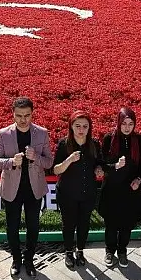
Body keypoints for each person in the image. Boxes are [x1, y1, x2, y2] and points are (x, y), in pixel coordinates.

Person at [0, 97, 53, 277]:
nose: (23, 119)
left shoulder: (42, 133)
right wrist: (11, 161)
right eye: (19, 115)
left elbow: (49, 161)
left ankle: (29, 260)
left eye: (27, 115)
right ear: (13, 114)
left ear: (32, 114)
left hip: (34, 189)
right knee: (12, 226)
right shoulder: (4, 133)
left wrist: (36, 157)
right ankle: (16, 259)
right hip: (12, 188)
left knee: (33, 227)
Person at [53, 111, 104, 269]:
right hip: (67, 193)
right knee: (68, 224)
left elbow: (99, 163)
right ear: (71, 127)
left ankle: (80, 251)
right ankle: (68, 252)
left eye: (85, 126)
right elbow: (55, 170)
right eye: (77, 126)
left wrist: (99, 170)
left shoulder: (94, 144)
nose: (81, 130)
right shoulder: (64, 144)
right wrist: (69, 160)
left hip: (88, 192)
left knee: (84, 223)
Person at [99, 107, 141, 268]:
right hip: (112, 189)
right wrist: (115, 166)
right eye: (124, 123)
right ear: (119, 122)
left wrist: (138, 180)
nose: (127, 127)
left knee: (127, 223)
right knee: (111, 224)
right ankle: (110, 251)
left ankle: (122, 250)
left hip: (130, 189)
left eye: (131, 123)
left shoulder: (138, 140)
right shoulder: (109, 139)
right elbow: (102, 164)